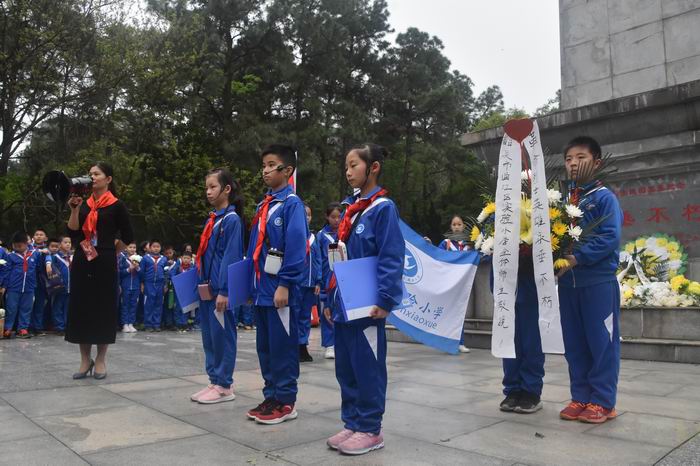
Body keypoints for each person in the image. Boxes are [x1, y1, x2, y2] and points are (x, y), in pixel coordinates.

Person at [325, 143, 404, 456]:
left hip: (368, 304)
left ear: (373, 167)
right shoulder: (350, 210)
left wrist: (385, 298)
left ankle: (371, 427)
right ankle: (352, 421)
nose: (348, 172)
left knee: (368, 365)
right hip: (345, 300)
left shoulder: (383, 208)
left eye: (354, 165)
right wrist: (332, 299)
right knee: (346, 365)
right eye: (346, 166)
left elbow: (390, 256)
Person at [556, 136, 623, 424]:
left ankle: (603, 401)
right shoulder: (562, 200)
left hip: (597, 282)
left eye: (581, 157)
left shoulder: (604, 197)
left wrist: (577, 257)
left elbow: (610, 237)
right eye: (569, 158)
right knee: (574, 343)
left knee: (601, 342)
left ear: (596, 162)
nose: (574, 163)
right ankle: (580, 396)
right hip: (568, 285)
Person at [246, 144, 308, 425]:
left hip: (280, 290)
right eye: (264, 165)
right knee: (266, 347)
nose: (266, 170)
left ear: (288, 170)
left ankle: (286, 400)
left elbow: (296, 248)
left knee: (283, 347)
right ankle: (271, 394)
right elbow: (254, 251)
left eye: (272, 165)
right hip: (261, 289)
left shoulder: (292, 204)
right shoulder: (263, 205)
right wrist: (248, 284)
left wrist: (285, 284)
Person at [65, 162, 134, 380]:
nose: (92, 177)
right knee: (82, 307)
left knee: (103, 307)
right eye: (90, 174)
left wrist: (112, 251)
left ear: (108, 179)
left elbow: (128, 235)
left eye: (97, 174)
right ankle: (85, 360)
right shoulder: (83, 204)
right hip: (83, 258)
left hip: (104, 259)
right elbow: (72, 232)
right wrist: (74, 209)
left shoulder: (116, 205)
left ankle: (101, 359)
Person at [189, 168, 244, 404]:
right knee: (210, 336)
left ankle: (224, 384)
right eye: (207, 188)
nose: (208, 192)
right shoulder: (213, 219)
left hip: (220, 290)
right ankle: (214, 379)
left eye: (213, 187)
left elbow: (230, 257)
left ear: (227, 189)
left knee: (223, 335)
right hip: (206, 288)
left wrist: (224, 290)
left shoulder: (232, 220)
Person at [497, 256, 545, 414]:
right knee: (509, 342)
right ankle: (512, 390)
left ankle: (531, 392)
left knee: (532, 343)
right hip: (506, 287)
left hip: (531, 286)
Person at [437, 215, 471, 354]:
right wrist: (426, 244)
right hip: (448, 283)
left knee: (460, 313)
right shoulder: (445, 243)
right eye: (454, 224)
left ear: (463, 226)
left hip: (463, 284)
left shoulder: (470, 244)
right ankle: (446, 341)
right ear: (451, 227)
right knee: (448, 313)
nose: (456, 226)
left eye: (459, 224)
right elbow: (436, 255)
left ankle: (460, 342)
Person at [1, 232, 42, 338]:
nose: (17, 248)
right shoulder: (11, 256)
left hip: (29, 287)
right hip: (13, 287)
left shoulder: (35, 254)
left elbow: (39, 268)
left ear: (26, 244)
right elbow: (6, 271)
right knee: (11, 308)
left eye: (19, 245)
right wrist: (4, 286)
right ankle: (8, 328)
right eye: (15, 246)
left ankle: (23, 329)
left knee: (26, 308)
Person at [317, 202, 342, 359]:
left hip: (342, 278)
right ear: (327, 217)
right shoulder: (321, 236)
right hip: (327, 278)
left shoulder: (346, 232)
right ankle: (329, 344)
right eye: (333, 217)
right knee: (327, 310)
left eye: (339, 217)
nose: (336, 220)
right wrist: (318, 281)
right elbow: (318, 259)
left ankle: (340, 343)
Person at [299, 204, 322, 363]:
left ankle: (302, 345)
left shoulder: (315, 238)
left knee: (305, 316)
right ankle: (293, 345)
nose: (306, 217)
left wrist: (318, 280)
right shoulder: (295, 235)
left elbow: (319, 260)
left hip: (310, 284)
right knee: (294, 315)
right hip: (297, 283)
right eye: (303, 214)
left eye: (308, 214)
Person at [140, 240, 167, 332]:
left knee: (158, 304)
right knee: (149, 304)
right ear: (150, 248)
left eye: (158, 246)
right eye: (154, 246)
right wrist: (142, 283)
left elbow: (166, 273)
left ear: (160, 248)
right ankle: (148, 324)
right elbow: (141, 272)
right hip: (149, 283)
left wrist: (165, 284)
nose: (156, 248)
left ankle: (156, 324)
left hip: (160, 284)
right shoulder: (145, 258)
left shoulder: (164, 259)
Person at [48, 236, 72, 336]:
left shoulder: (72, 256)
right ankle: (59, 327)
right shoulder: (55, 257)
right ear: (60, 244)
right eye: (65, 242)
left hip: (70, 288)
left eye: (69, 242)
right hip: (59, 287)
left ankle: (67, 326)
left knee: (68, 307)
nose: (68, 244)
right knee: (57, 306)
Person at [30, 228, 51, 335]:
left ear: (45, 238)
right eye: (36, 234)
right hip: (30, 279)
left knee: (39, 304)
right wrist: (39, 251)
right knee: (29, 304)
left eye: (41, 234)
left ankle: (37, 327)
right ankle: (26, 326)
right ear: (33, 237)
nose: (38, 236)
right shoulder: (29, 248)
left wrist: (48, 263)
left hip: (42, 281)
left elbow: (49, 258)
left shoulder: (47, 250)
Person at [119, 242, 141, 333]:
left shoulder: (139, 259)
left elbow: (142, 274)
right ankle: (125, 324)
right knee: (125, 305)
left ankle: (131, 323)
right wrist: (129, 269)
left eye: (134, 247)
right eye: (130, 247)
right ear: (126, 248)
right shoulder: (123, 259)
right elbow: (120, 273)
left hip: (136, 286)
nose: (132, 249)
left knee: (133, 305)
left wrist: (137, 268)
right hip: (126, 286)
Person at [169, 251, 194, 331]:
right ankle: (178, 323)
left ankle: (184, 323)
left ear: (191, 260)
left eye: (188, 258)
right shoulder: (178, 267)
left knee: (186, 307)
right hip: (178, 290)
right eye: (184, 258)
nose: (186, 260)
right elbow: (172, 274)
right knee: (177, 307)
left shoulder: (192, 268)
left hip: (187, 291)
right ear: (181, 258)